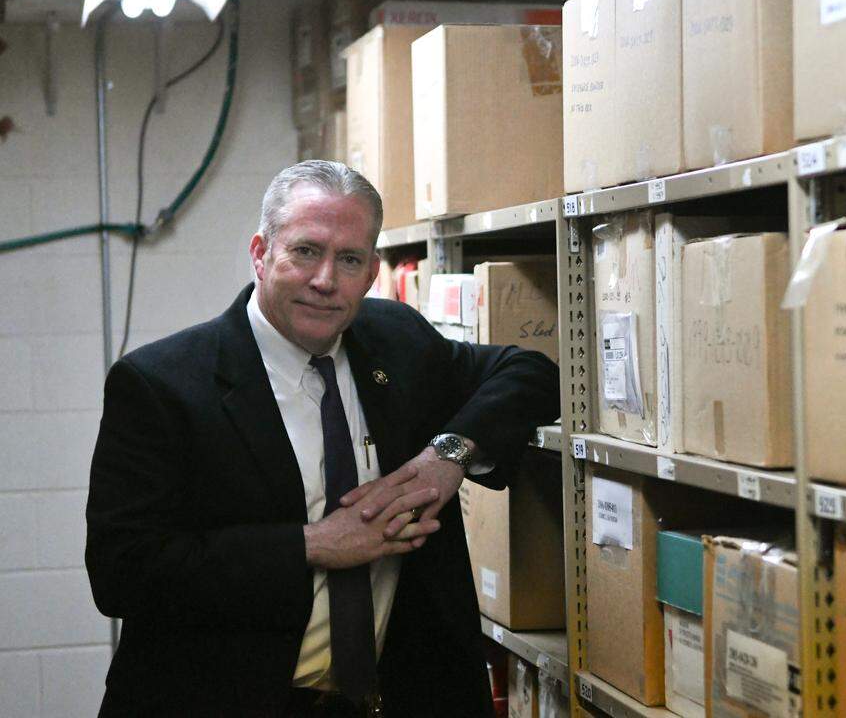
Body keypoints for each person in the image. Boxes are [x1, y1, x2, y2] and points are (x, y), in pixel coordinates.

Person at [86, 161, 560, 717]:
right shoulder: (161, 384)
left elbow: (529, 372)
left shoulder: (396, 341)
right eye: (305, 251)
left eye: (350, 259)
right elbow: (123, 572)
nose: (325, 280)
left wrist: (448, 455)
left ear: (372, 272)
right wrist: (311, 546)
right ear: (261, 252)